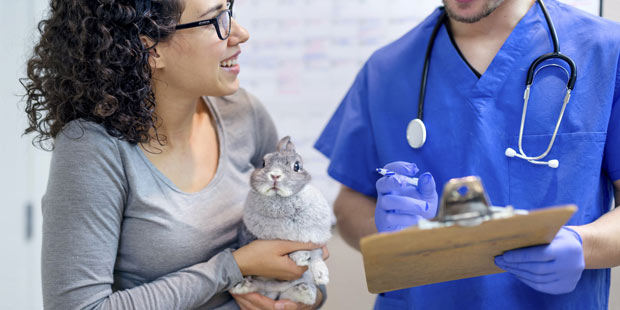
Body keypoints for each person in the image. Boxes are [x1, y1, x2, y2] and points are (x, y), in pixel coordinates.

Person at [315, 0, 620, 308]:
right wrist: (382, 229)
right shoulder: (386, 69)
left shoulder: (604, 50)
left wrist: (586, 246)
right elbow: (349, 204)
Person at [22, 0, 327, 309]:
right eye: (214, 20)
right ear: (151, 48)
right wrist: (231, 267)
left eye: (228, 11)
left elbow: (301, 243)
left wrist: (308, 297)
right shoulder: (91, 149)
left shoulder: (244, 112)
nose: (240, 33)